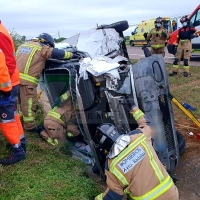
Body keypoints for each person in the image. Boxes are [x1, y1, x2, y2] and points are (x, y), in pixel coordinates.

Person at [94, 96, 179, 200]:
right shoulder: (139, 137)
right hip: (171, 194)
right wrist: (133, 107)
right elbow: (146, 123)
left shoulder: (111, 165)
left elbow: (114, 195)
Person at [16, 33, 79, 132]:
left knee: (20, 103)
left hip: (15, 80)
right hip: (27, 82)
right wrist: (72, 55)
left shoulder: (23, 46)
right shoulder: (41, 48)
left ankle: (19, 123)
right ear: (47, 44)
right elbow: (56, 53)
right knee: (29, 105)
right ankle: (30, 128)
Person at [0, 20, 26, 165]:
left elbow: (7, 63)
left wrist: (5, 90)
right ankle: (20, 142)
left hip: (6, 85)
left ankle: (18, 150)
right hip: (11, 82)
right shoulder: (2, 29)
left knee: (6, 119)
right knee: (13, 115)